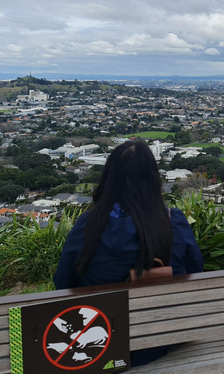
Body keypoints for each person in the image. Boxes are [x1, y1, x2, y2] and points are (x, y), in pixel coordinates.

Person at [54, 139, 203, 367]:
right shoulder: (173, 222)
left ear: (110, 178)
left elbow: (63, 281)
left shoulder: (89, 225)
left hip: (100, 345)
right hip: (159, 342)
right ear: (152, 178)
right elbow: (194, 272)